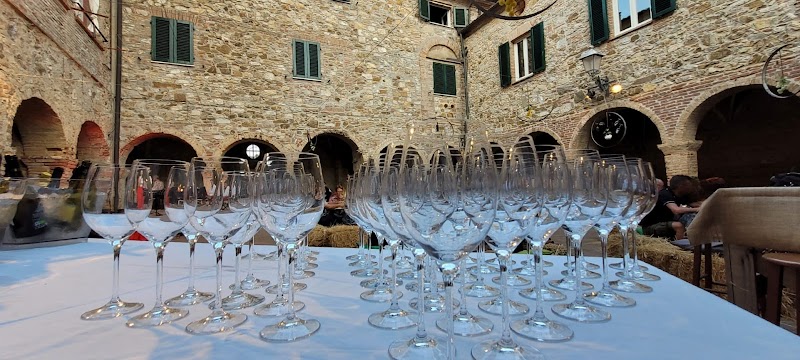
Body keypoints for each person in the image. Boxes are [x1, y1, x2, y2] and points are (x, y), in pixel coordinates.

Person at [640, 175, 699, 240]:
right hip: (650, 226)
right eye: (688, 185)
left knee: (688, 217)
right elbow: (676, 210)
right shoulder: (665, 194)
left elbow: (693, 204)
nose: (691, 187)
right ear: (681, 186)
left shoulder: (678, 195)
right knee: (679, 226)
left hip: (665, 222)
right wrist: (697, 209)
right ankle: (679, 247)